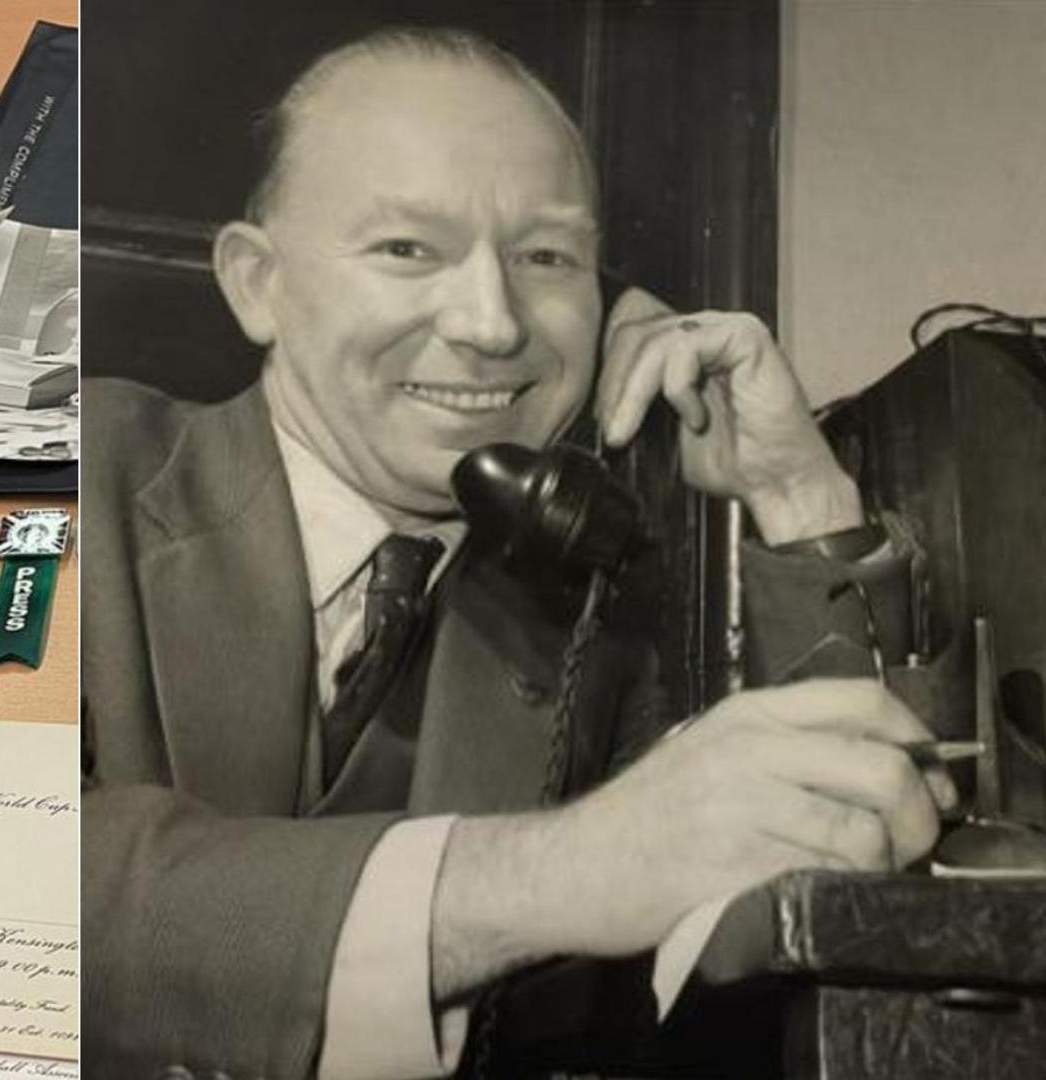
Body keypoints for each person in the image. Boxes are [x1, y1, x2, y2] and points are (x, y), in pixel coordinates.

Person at [82, 27, 948, 1080]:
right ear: (257, 283)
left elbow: (802, 905)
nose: (494, 325)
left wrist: (793, 488)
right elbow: (1, 878)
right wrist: (564, 866)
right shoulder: (79, 468)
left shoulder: (575, 601)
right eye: (408, 249)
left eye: (548, 259)